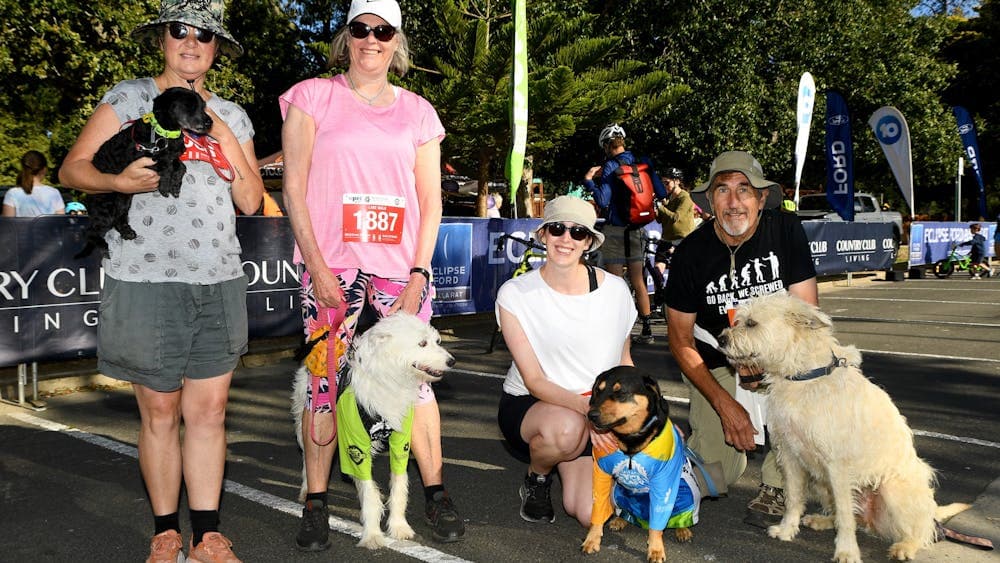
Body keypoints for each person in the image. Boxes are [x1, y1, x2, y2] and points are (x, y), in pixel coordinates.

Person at [58, 1, 264, 561]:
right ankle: (166, 532)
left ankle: (209, 534)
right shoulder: (128, 99)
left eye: (204, 36)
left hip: (217, 277)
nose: (191, 43)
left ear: (216, 49)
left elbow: (249, 199)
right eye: (180, 32)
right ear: (163, 41)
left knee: (210, 413)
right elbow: (71, 169)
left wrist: (219, 131)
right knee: (159, 413)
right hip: (143, 279)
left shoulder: (233, 116)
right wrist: (116, 180)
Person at [280, 0, 465, 549]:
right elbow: (292, 188)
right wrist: (315, 266)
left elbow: (430, 202)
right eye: (360, 29)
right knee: (324, 382)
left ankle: (433, 494)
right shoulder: (312, 96)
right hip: (331, 264)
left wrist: (418, 272)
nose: (371, 39)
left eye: (383, 31)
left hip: (400, 270)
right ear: (346, 36)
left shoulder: (418, 112)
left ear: (397, 41)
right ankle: (316, 502)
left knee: (420, 383)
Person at [664, 151, 817, 527]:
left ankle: (781, 485)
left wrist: (769, 369)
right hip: (715, 358)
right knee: (716, 475)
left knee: (807, 397)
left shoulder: (785, 231)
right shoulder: (689, 254)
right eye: (723, 191)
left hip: (781, 357)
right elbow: (681, 340)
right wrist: (725, 405)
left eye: (744, 190)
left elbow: (806, 318)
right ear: (709, 201)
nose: (734, 203)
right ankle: (663, 466)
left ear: (761, 198)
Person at [495, 195, 635, 526]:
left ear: (588, 242)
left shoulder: (616, 290)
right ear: (543, 235)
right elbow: (534, 380)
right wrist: (594, 416)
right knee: (566, 430)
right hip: (537, 406)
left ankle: (578, 465)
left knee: (593, 514)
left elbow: (625, 361)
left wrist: (643, 416)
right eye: (557, 229)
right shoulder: (515, 294)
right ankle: (538, 478)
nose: (566, 239)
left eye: (578, 233)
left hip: (596, 409)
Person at [583, 124, 668, 345]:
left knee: (615, 283)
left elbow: (602, 200)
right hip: (637, 229)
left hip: (615, 230)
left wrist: (590, 181)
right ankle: (647, 330)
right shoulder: (643, 163)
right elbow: (661, 192)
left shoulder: (610, 166)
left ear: (606, 145)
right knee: (638, 280)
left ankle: (622, 331)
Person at [653, 167, 695, 272]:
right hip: (667, 238)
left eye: (667, 183)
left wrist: (660, 207)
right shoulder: (669, 198)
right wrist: (654, 209)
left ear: (677, 181)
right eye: (662, 184)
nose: (664, 187)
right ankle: (659, 287)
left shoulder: (685, 197)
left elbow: (676, 217)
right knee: (657, 270)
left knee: (680, 271)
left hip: (682, 239)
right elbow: (660, 220)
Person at [2, 151, 65, 217]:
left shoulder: (12, 193)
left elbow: (8, 223)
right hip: (47, 227)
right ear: (44, 169)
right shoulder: (54, 193)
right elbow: (60, 222)